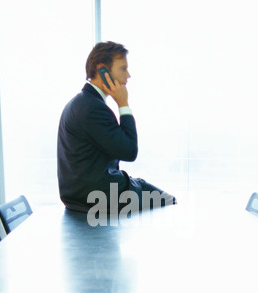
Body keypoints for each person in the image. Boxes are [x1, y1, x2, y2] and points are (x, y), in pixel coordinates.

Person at [57, 41, 176, 215]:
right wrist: (123, 104)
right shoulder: (93, 109)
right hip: (102, 195)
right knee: (170, 200)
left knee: (142, 186)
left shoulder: (81, 102)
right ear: (102, 70)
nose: (128, 75)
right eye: (123, 69)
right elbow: (129, 151)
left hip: (82, 195)